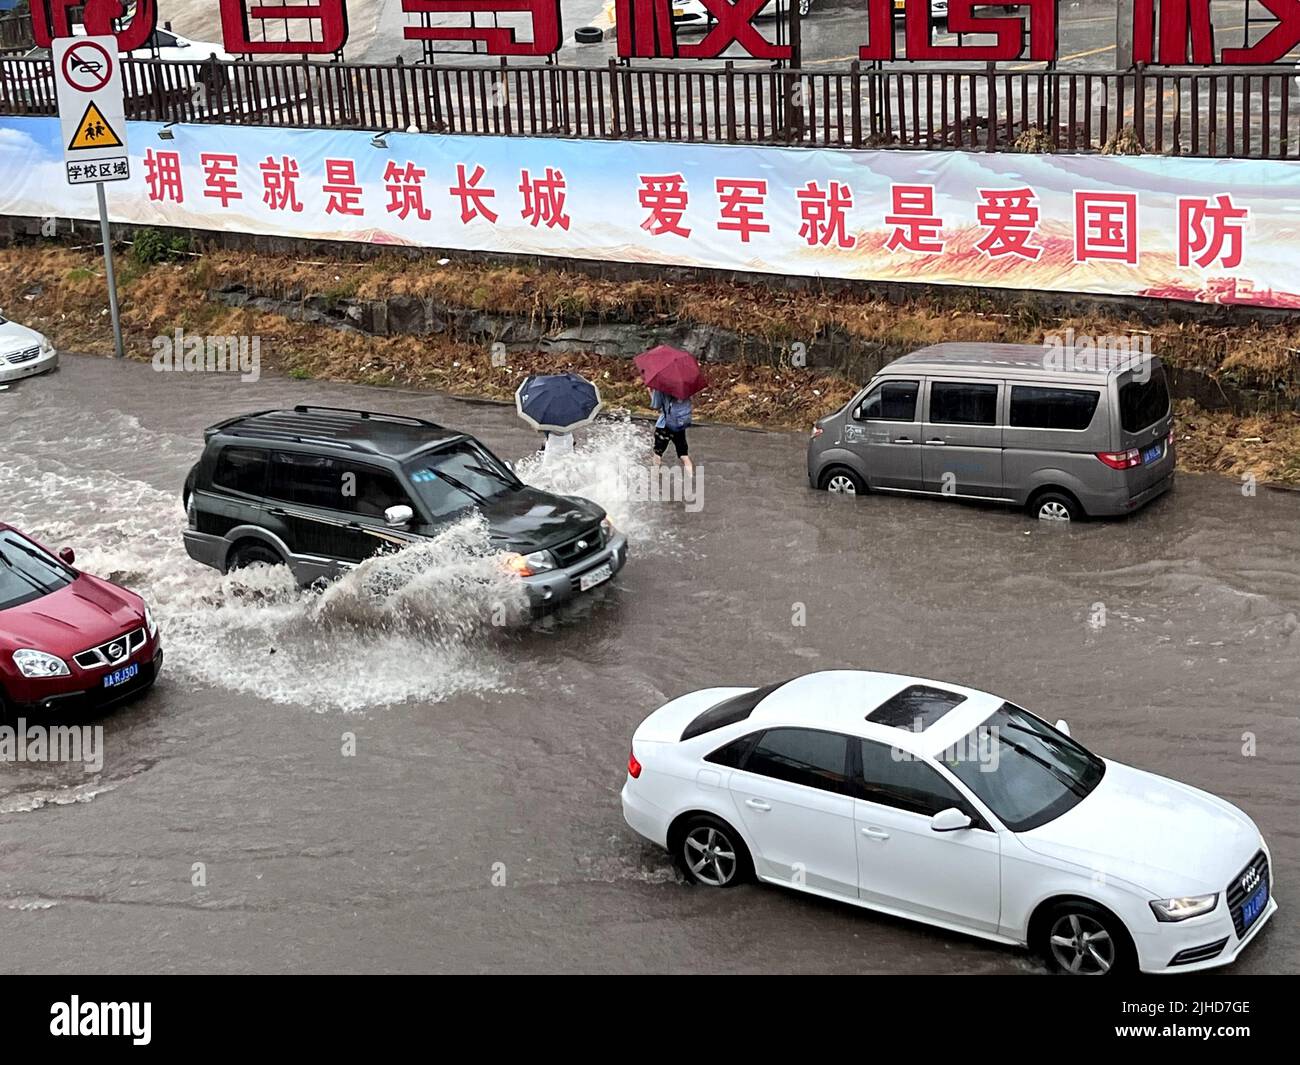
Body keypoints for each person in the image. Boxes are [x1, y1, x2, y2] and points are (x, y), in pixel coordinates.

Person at [650, 389, 694, 475]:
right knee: (684, 455)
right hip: (679, 425)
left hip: (664, 425)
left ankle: (654, 479)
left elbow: (656, 406)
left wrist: (650, 392)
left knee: (657, 454)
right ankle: (691, 477)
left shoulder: (661, 387)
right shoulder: (684, 387)